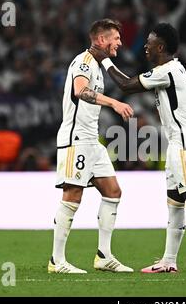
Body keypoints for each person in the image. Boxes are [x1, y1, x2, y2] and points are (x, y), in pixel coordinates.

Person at [90, 23, 186, 274]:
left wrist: (105, 61)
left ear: (161, 47)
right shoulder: (169, 70)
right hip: (178, 143)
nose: (145, 46)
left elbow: (126, 85)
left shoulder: (169, 70)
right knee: (175, 203)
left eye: (150, 43)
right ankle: (168, 261)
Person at [49, 19, 134, 274]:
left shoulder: (98, 65)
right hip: (76, 139)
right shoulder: (83, 61)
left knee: (113, 191)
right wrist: (114, 103)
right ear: (100, 40)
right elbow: (80, 91)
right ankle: (57, 260)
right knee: (73, 195)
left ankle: (104, 256)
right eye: (115, 38)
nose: (119, 42)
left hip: (91, 141)